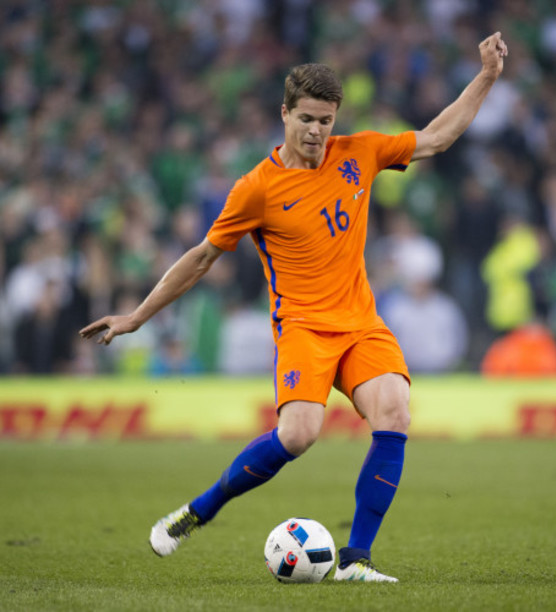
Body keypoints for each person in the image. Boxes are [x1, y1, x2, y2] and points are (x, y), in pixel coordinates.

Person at [80, 32, 508, 582]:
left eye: (326, 120)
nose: (316, 131)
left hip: (361, 323)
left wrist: (488, 77)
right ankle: (198, 511)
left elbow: (436, 138)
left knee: (396, 410)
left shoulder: (360, 152)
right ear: (284, 112)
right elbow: (203, 257)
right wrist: (137, 315)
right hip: (303, 328)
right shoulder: (256, 189)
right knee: (300, 435)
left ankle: (356, 560)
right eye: (306, 118)